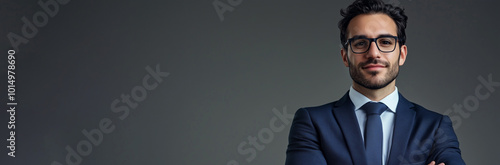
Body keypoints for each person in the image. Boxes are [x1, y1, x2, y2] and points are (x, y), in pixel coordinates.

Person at [285, 0, 466, 165]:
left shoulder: (435, 126)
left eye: (385, 42)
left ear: (402, 54)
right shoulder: (312, 123)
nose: (373, 53)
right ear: (345, 57)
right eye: (360, 43)